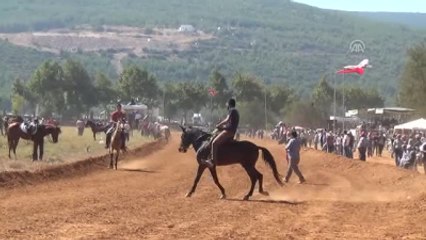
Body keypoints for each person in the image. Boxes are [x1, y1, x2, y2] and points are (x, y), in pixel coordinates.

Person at [204, 98, 239, 168]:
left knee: (214, 143)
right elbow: (230, 122)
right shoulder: (235, 111)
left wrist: (219, 125)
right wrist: (222, 126)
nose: (227, 106)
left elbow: (227, 120)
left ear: (229, 104)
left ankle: (212, 161)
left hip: (229, 131)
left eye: (227, 104)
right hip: (231, 131)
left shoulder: (231, 110)